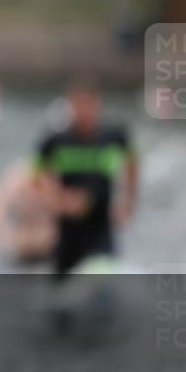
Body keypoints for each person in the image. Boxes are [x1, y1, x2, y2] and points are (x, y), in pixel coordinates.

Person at [33, 78, 138, 278]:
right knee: (61, 291)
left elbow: (133, 162)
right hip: (68, 231)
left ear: (97, 104)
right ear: (70, 105)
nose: (84, 110)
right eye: (78, 104)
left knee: (102, 279)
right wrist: (60, 201)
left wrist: (129, 201)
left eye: (88, 104)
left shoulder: (114, 136)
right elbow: (36, 177)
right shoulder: (56, 140)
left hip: (101, 227)